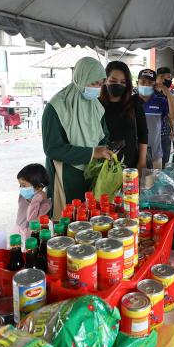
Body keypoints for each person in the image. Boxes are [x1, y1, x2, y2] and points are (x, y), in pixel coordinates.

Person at [42, 57, 114, 218]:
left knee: (90, 218)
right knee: (69, 219)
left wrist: (106, 150)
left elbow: (104, 136)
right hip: (65, 174)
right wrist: (92, 153)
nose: (97, 88)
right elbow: (52, 148)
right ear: (81, 77)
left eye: (100, 84)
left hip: (91, 174)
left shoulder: (96, 106)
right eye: (93, 83)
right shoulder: (57, 107)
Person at [99, 61, 148, 171]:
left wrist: (142, 161)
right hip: (103, 165)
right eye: (113, 81)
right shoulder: (97, 104)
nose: (118, 85)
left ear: (127, 84)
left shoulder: (135, 103)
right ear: (105, 81)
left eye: (123, 82)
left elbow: (143, 133)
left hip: (130, 165)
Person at [136, 69, 174, 169]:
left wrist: (166, 91)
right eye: (143, 82)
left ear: (155, 84)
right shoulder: (131, 101)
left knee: (155, 179)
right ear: (137, 83)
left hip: (155, 156)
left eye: (150, 83)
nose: (146, 85)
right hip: (134, 154)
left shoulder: (160, 101)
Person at [15, 163, 52, 240]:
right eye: (20, 185)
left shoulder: (45, 204)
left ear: (38, 187)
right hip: (18, 232)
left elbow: (31, 219)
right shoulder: (23, 196)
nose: (21, 188)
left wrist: (37, 198)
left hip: (32, 237)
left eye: (23, 185)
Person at [156, 67, 174, 167]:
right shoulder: (150, 94)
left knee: (164, 162)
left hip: (165, 135)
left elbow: (171, 114)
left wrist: (173, 129)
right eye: (168, 78)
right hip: (153, 136)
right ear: (160, 77)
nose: (170, 80)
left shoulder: (166, 94)